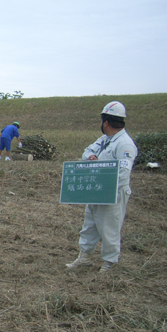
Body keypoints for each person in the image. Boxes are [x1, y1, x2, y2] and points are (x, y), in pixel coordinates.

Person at [66, 101, 138, 273]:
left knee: (109, 228)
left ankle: (109, 264)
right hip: (96, 190)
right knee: (90, 225)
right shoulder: (105, 140)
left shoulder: (125, 144)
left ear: (105, 122)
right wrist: (90, 156)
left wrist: (107, 189)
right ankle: (84, 258)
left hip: (112, 193)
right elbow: (87, 151)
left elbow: (123, 173)